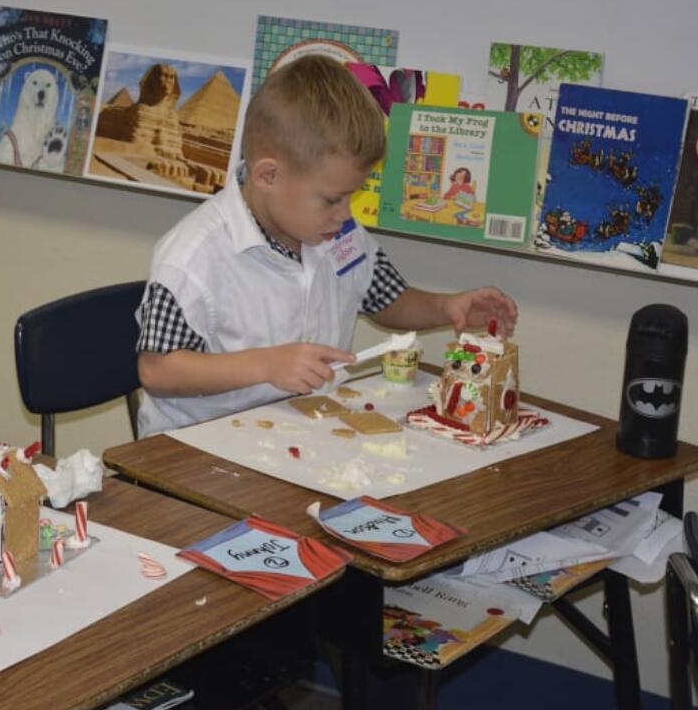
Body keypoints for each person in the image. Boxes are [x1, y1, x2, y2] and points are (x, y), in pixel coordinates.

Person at [135, 55, 517, 437]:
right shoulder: (193, 257)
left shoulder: (336, 234)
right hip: (201, 449)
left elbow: (387, 299)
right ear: (269, 175)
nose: (344, 213)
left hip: (298, 432)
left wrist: (445, 307)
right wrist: (267, 365)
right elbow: (158, 370)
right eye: (333, 199)